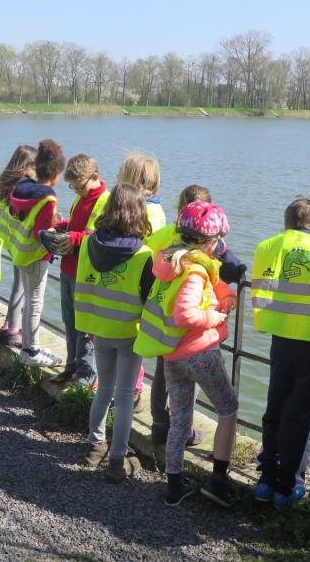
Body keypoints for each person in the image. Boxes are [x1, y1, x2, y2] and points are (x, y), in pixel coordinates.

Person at [134, 201, 240, 508]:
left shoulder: (169, 260)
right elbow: (186, 314)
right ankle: (218, 480)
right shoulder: (195, 270)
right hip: (200, 354)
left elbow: (206, 282)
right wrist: (217, 317)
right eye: (219, 239)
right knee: (228, 409)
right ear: (210, 242)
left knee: (180, 418)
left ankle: (175, 484)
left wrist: (225, 292)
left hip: (172, 354)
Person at [250, 197, 310, 508]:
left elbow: (261, 292)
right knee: (300, 416)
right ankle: (288, 486)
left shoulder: (268, 247)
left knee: (275, 407)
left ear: (285, 224)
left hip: (279, 337)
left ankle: (265, 479)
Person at [147, 185, 246, 447]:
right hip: (192, 339)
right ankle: (187, 434)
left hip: (160, 325)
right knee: (211, 398)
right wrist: (218, 312)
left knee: (161, 375)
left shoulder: (163, 236)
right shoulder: (203, 254)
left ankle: (159, 426)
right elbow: (226, 265)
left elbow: (148, 268)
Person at [75, 183, 154, 481]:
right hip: (130, 332)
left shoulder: (88, 243)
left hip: (98, 329)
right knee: (123, 397)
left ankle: (94, 447)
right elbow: (148, 300)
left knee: (103, 389)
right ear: (138, 213)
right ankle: (117, 459)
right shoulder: (144, 255)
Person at [48, 153, 109, 385]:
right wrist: (61, 227)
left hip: (87, 275)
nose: (76, 190)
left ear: (94, 177)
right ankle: (71, 366)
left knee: (84, 326)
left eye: (78, 186)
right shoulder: (80, 198)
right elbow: (77, 226)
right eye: (72, 187)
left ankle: (87, 376)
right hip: (69, 269)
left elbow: (102, 237)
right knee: (69, 321)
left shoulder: (106, 200)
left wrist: (73, 237)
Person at [7, 139, 64, 367]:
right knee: (35, 302)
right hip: (35, 255)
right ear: (56, 174)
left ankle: (30, 345)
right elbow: (41, 233)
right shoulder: (48, 197)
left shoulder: (21, 188)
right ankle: (31, 351)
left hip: (19, 252)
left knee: (28, 300)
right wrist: (59, 232)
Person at [116, 152, 166, 410]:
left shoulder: (142, 211)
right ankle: (129, 389)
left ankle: (131, 390)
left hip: (134, 281)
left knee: (132, 336)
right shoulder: (157, 210)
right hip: (145, 282)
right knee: (135, 336)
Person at [0, 145, 38, 349]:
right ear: (28, 165)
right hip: (21, 241)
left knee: (18, 284)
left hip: (10, 239)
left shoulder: (8, 182)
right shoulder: (24, 186)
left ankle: (9, 324)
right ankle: (13, 328)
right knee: (21, 287)